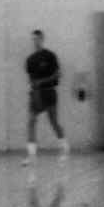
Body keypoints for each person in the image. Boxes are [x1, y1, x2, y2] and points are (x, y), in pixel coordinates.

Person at [24, 30, 69, 160]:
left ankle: (64, 148)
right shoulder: (30, 59)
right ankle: (31, 154)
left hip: (49, 92)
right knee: (31, 120)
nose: (35, 41)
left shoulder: (50, 56)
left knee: (53, 121)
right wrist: (34, 88)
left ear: (42, 39)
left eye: (37, 39)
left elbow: (57, 74)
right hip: (36, 93)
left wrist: (42, 82)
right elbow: (31, 78)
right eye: (33, 39)